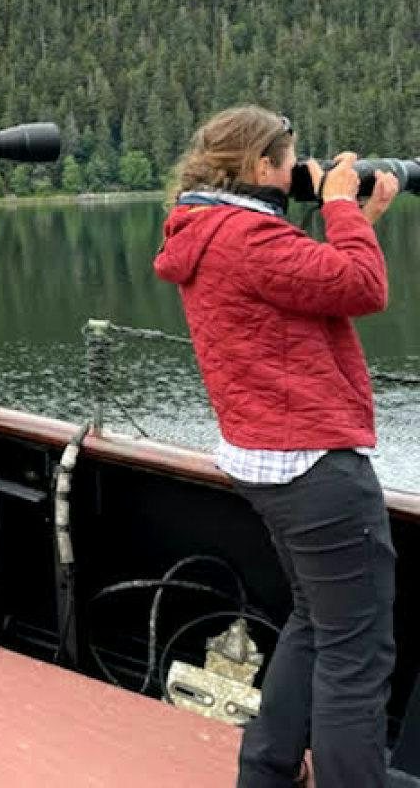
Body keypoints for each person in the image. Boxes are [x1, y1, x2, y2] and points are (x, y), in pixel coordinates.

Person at [153, 106, 399, 788]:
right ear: (261, 167)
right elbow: (364, 287)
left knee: (316, 624)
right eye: (288, 159)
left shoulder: (209, 228)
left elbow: (313, 283)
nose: (297, 170)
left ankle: (264, 772)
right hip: (316, 465)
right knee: (357, 654)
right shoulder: (246, 236)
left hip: (271, 464)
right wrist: (342, 207)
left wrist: (355, 223)